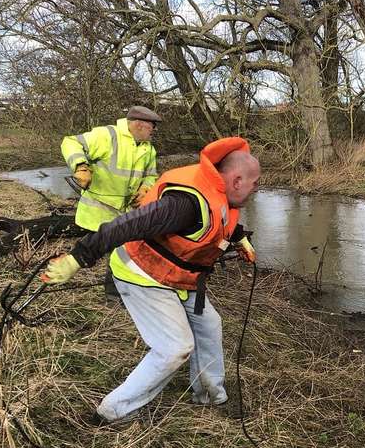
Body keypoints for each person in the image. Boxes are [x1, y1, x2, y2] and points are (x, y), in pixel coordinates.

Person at [42, 137, 260, 423]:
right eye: (255, 184)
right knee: (175, 348)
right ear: (236, 180)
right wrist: (77, 259)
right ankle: (110, 413)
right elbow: (128, 224)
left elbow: (219, 217)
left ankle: (209, 396)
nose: (257, 190)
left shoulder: (218, 190)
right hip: (141, 272)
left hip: (179, 277)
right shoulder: (183, 204)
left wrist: (239, 238)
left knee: (210, 325)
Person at [61, 105, 162, 232]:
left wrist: (145, 189)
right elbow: (71, 142)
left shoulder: (148, 149)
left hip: (126, 219)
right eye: (153, 125)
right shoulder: (108, 135)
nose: (155, 129)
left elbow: (151, 176)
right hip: (95, 220)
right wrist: (80, 167)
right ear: (139, 125)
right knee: (94, 250)